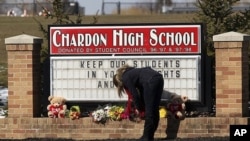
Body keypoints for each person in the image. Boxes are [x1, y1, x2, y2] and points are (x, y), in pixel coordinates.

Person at [113, 64, 164, 141]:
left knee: (149, 111)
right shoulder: (133, 72)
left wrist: (139, 108)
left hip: (150, 81)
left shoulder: (125, 77)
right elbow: (141, 90)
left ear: (119, 81)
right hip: (159, 78)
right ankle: (150, 135)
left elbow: (134, 94)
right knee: (154, 109)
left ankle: (146, 137)